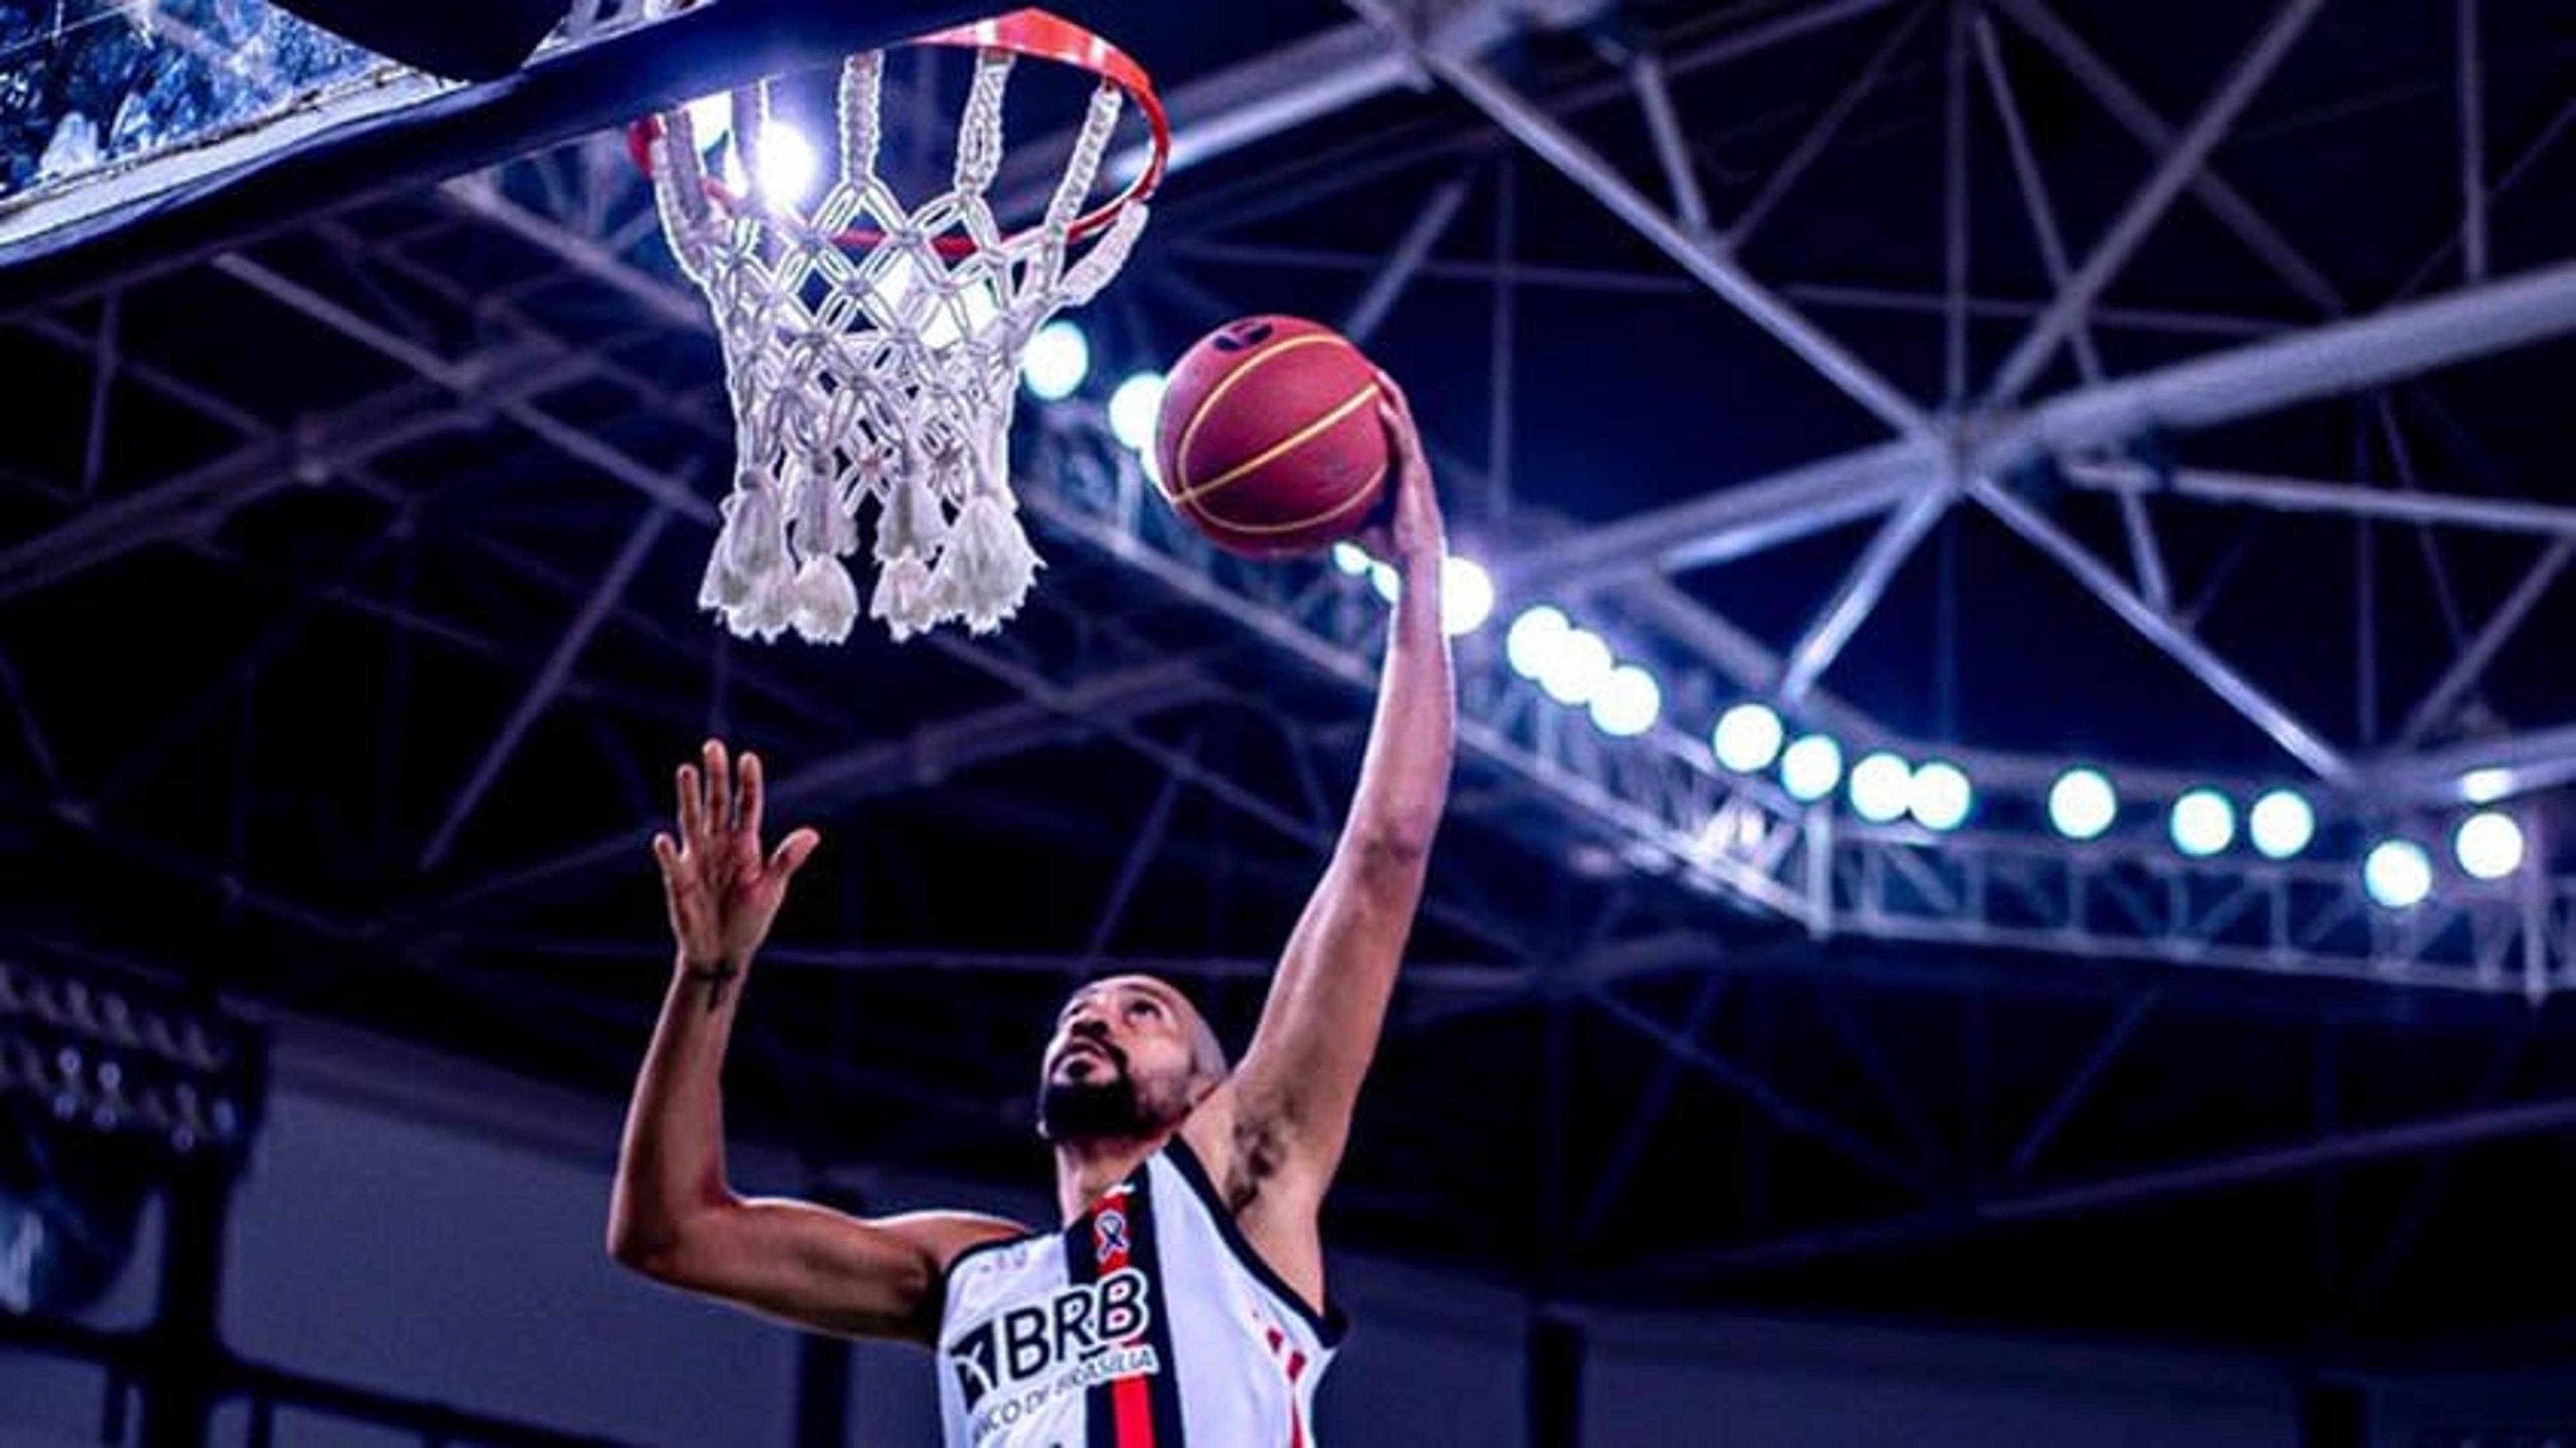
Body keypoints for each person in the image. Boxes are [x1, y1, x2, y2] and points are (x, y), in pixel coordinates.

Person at [608, 379, 1456, 1447]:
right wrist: (709, 976)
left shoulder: (1242, 1175)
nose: (1091, 1016)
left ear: (1206, 1085)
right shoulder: (967, 1270)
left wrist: (1421, 575)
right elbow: (670, 1233)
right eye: (1080, 1010)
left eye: (1141, 1009)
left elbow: (1383, 857)